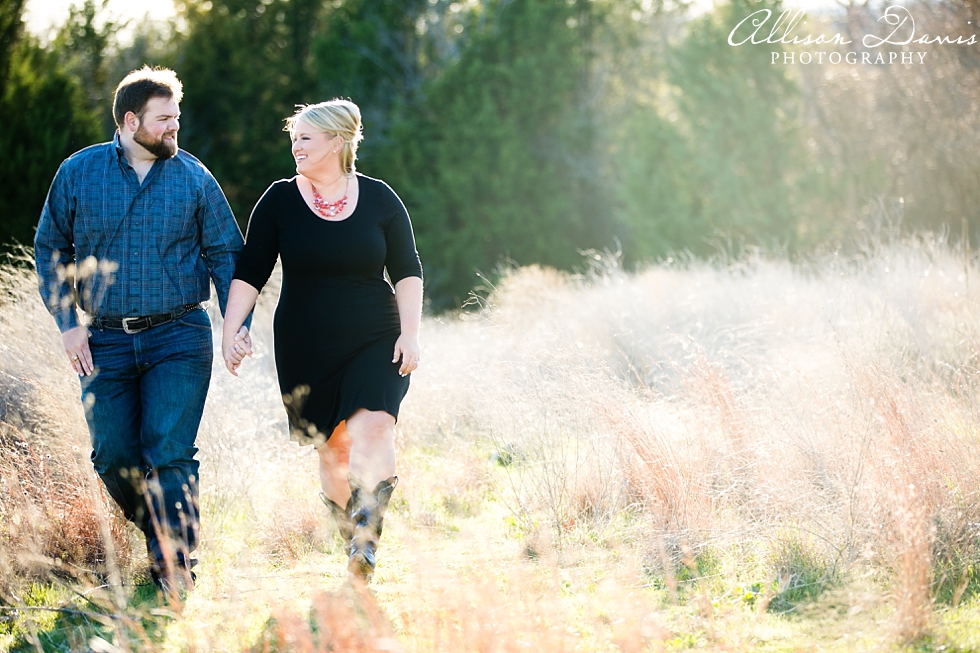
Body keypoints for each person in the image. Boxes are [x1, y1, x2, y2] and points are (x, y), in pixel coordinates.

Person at [34, 66, 249, 597]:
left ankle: (176, 566)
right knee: (111, 455)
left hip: (180, 335)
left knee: (168, 451)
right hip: (102, 338)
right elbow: (50, 249)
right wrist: (68, 326)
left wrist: (233, 325)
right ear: (130, 122)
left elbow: (226, 251)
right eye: (165, 121)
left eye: (177, 119)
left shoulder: (194, 177)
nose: (175, 129)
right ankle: (163, 536)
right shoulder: (79, 173)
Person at [221, 99, 422, 582]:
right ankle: (348, 534)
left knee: (374, 428)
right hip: (306, 342)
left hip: (376, 334)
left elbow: (408, 269)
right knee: (333, 451)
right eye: (294, 139)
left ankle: (367, 538)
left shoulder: (379, 199)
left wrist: (411, 333)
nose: (296, 146)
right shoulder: (278, 200)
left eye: (306, 138)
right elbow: (251, 270)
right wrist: (231, 330)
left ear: (337, 141)